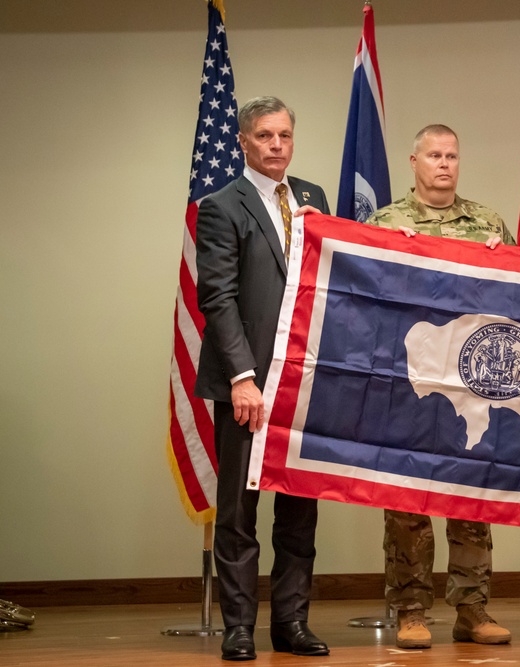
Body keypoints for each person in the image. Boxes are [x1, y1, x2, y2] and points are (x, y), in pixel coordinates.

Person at [365, 124, 514, 650]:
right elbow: (365, 303)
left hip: (473, 381)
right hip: (412, 383)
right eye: (434, 155)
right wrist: (387, 255)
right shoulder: (386, 222)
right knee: (408, 497)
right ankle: (410, 609)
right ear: (414, 161)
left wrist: (507, 260)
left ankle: (472, 608)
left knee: (472, 495)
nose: (444, 164)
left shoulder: (488, 222)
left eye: (452, 155)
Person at [195, 96, 331, 661]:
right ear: (243, 142)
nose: (277, 145)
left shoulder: (313, 198)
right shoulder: (221, 206)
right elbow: (218, 297)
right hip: (245, 381)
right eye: (265, 136)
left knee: (299, 509)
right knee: (239, 512)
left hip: (304, 380)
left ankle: (291, 624)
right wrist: (242, 377)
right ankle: (240, 628)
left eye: (284, 135)